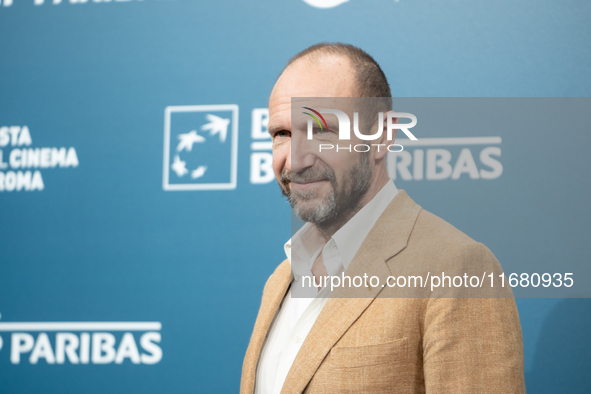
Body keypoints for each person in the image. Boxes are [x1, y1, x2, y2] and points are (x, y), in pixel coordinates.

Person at [241, 43, 525, 394]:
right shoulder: (280, 280)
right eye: (281, 134)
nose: (295, 159)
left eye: (321, 130)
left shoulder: (456, 268)